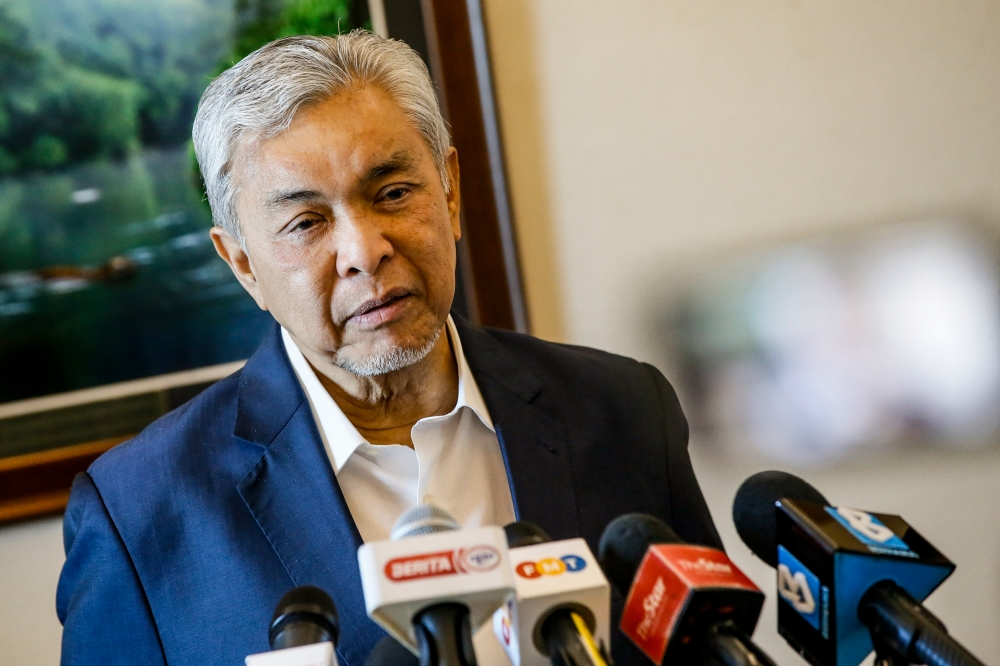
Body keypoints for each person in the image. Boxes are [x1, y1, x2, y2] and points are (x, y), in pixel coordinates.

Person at [56, 31, 721, 666]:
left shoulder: (624, 411)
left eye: (393, 193)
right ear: (243, 265)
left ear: (451, 191)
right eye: (306, 222)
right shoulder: (141, 514)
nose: (364, 251)